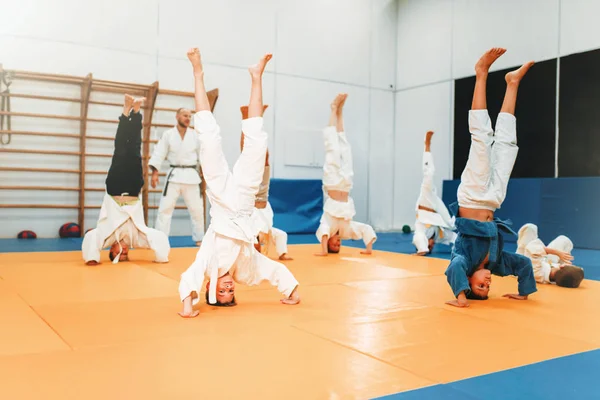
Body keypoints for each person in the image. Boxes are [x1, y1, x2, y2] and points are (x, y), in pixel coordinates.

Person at [178, 48, 300, 318]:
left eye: (222, 292)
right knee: (258, 141)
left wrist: (188, 307)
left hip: (221, 200)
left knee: (208, 136)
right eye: (231, 293)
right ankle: (257, 76)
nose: (229, 288)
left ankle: (197, 71)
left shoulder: (208, 263)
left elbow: (190, 277)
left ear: (210, 287)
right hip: (244, 204)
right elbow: (272, 270)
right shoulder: (246, 270)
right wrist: (291, 290)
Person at [444, 47, 537, 307]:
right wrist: (524, 291)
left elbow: (452, 271)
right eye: (489, 288)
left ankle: (481, 73)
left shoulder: (461, 259)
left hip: (472, 196)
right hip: (494, 200)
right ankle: (512, 83)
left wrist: (461, 298)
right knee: (507, 146)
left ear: (468, 279)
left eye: (479, 286)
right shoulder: (495, 263)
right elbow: (523, 263)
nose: (487, 283)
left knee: (482, 140)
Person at [82, 95, 170, 265]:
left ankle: (125, 110)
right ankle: (136, 112)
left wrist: (92, 258)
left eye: (117, 254)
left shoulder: (106, 236)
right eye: (124, 255)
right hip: (133, 188)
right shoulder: (136, 239)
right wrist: (161, 257)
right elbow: (159, 238)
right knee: (135, 149)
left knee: (121, 149)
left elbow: (91, 238)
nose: (122, 251)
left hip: (115, 187)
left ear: (111, 250)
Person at [314, 93, 377, 256]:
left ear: (328, 243)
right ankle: (340, 111)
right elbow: (365, 229)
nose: (338, 244)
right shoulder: (345, 230)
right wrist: (368, 250)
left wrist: (324, 252)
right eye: (339, 247)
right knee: (346, 148)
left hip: (333, 182)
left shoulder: (328, 223)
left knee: (332, 149)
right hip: (346, 184)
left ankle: (333, 110)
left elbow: (323, 231)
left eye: (333, 245)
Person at [239, 105, 293, 261]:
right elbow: (280, 235)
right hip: (262, 193)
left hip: (250, 192)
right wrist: (282, 253)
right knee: (265, 155)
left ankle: (246, 117)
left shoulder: (246, 233)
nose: (259, 247)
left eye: (256, 248)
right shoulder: (261, 235)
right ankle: (257, 119)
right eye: (259, 249)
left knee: (247, 153)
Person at [148, 108, 205, 245]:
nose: (187, 118)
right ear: (177, 116)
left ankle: (199, 239)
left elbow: (202, 155)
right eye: (185, 115)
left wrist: (204, 175)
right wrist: (154, 174)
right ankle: (160, 240)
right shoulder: (168, 135)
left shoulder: (195, 135)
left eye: (189, 116)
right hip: (174, 176)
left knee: (197, 210)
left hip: (191, 176)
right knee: (165, 209)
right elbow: (159, 153)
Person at [413, 130, 457, 256]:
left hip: (425, 203)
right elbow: (452, 237)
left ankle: (427, 145)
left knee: (429, 174)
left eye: (429, 246)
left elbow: (418, 237)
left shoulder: (421, 231)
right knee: (451, 225)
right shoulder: (438, 236)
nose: (432, 245)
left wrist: (422, 249)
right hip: (436, 209)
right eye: (431, 248)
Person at [516, 223, 584, 288]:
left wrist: (557, 253)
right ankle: (568, 271)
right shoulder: (556, 275)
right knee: (564, 240)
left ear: (562, 266)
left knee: (530, 227)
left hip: (523, 260)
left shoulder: (536, 272)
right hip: (546, 263)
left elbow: (532, 249)